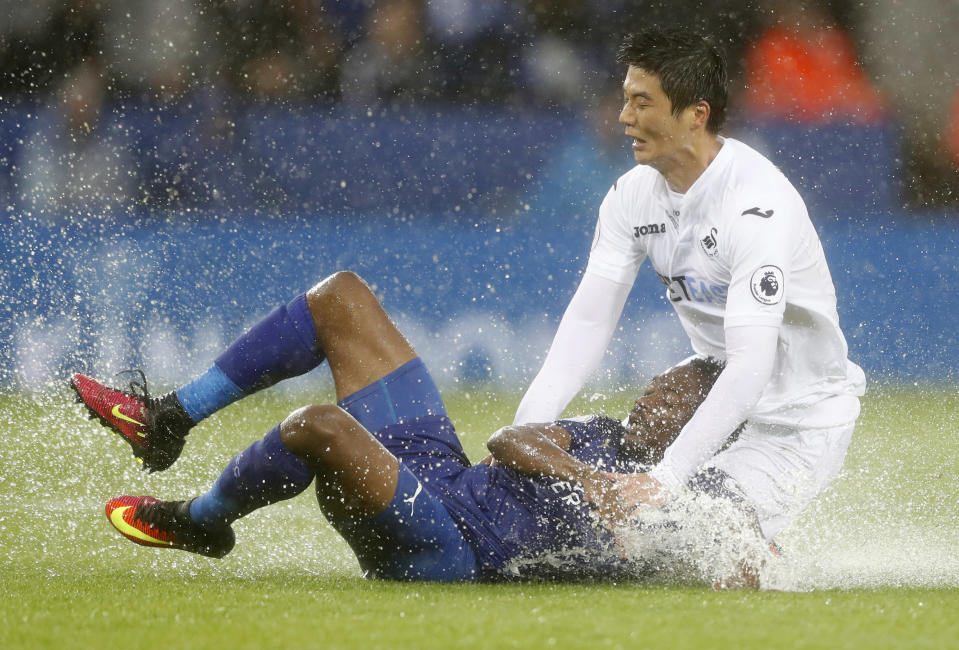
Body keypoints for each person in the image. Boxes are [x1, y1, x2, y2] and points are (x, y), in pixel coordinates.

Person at [72, 271, 737, 582]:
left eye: (674, 390)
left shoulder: (680, 495)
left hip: (451, 548)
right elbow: (507, 440)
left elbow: (717, 552)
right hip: (443, 478)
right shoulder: (601, 434)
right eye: (660, 379)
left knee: (320, 426)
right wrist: (588, 478)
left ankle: (202, 518)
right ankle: (168, 417)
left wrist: (733, 564)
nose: (654, 388)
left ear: (703, 419)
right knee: (341, 298)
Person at [513, 27, 866, 543]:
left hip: (797, 414)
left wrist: (667, 478)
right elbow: (589, 322)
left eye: (642, 102)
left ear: (695, 114)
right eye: (625, 99)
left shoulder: (755, 207)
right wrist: (529, 428)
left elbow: (752, 366)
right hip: (709, 391)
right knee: (610, 528)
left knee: (704, 537)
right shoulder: (630, 197)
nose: (624, 116)